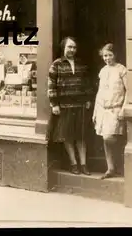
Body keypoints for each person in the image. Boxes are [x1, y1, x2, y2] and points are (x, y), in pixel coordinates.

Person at [47, 37, 93, 175]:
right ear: (64, 48)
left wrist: (88, 99)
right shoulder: (56, 64)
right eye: (69, 47)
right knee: (68, 136)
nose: (72, 50)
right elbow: (51, 85)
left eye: (74, 47)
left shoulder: (81, 64)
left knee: (81, 136)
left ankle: (83, 164)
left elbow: (87, 83)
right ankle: (74, 164)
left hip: (80, 105)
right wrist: (54, 104)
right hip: (65, 106)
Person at [93, 43, 127, 179]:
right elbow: (99, 92)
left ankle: (118, 166)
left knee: (110, 137)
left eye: (109, 55)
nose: (107, 58)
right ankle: (110, 168)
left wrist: (123, 109)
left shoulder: (122, 70)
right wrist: (95, 112)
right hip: (102, 109)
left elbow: (129, 90)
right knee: (105, 138)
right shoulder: (103, 71)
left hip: (116, 109)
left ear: (115, 55)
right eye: (105, 55)